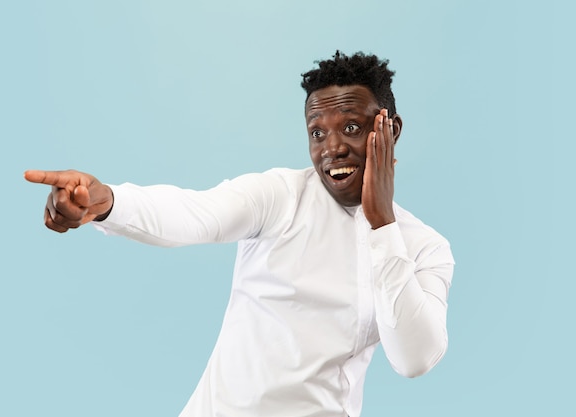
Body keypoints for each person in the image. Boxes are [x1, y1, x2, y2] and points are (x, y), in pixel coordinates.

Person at [25, 51, 454, 417]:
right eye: (317, 133)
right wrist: (108, 203)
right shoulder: (280, 195)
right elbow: (195, 214)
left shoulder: (425, 248)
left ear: (391, 130)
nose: (333, 147)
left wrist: (383, 224)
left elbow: (414, 358)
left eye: (353, 128)